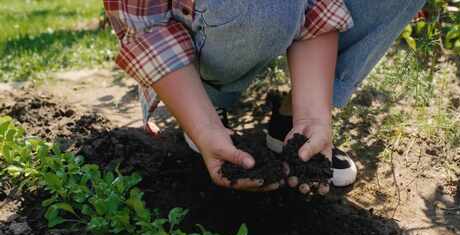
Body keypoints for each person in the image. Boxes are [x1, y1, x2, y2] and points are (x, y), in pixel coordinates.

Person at [104, 0, 425, 195]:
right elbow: (146, 24)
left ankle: (294, 123)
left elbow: (317, 4)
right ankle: (203, 100)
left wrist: (314, 115)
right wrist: (205, 129)